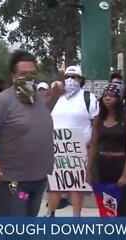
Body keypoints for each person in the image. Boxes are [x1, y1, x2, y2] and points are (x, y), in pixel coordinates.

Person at [0, 50, 63, 240]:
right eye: (23, 74)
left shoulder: (37, 99)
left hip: (37, 178)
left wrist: (56, 94)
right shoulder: (2, 101)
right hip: (13, 183)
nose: (28, 78)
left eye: (32, 73)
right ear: (13, 77)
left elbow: (42, 115)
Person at [86, 83, 126, 240]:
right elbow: (93, 146)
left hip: (119, 165)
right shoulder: (98, 119)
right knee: (105, 208)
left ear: (118, 99)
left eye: (112, 95)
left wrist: (125, 173)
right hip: (101, 166)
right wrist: (88, 170)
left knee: (121, 209)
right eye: (105, 95)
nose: (107, 98)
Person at [45, 65, 99, 217]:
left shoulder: (88, 98)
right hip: (57, 148)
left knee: (77, 185)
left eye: (73, 77)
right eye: (67, 77)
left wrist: (91, 148)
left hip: (79, 148)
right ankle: (50, 213)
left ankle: (76, 216)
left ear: (80, 80)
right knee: (56, 185)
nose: (69, 80)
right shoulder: (58, 98)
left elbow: (96, 124)